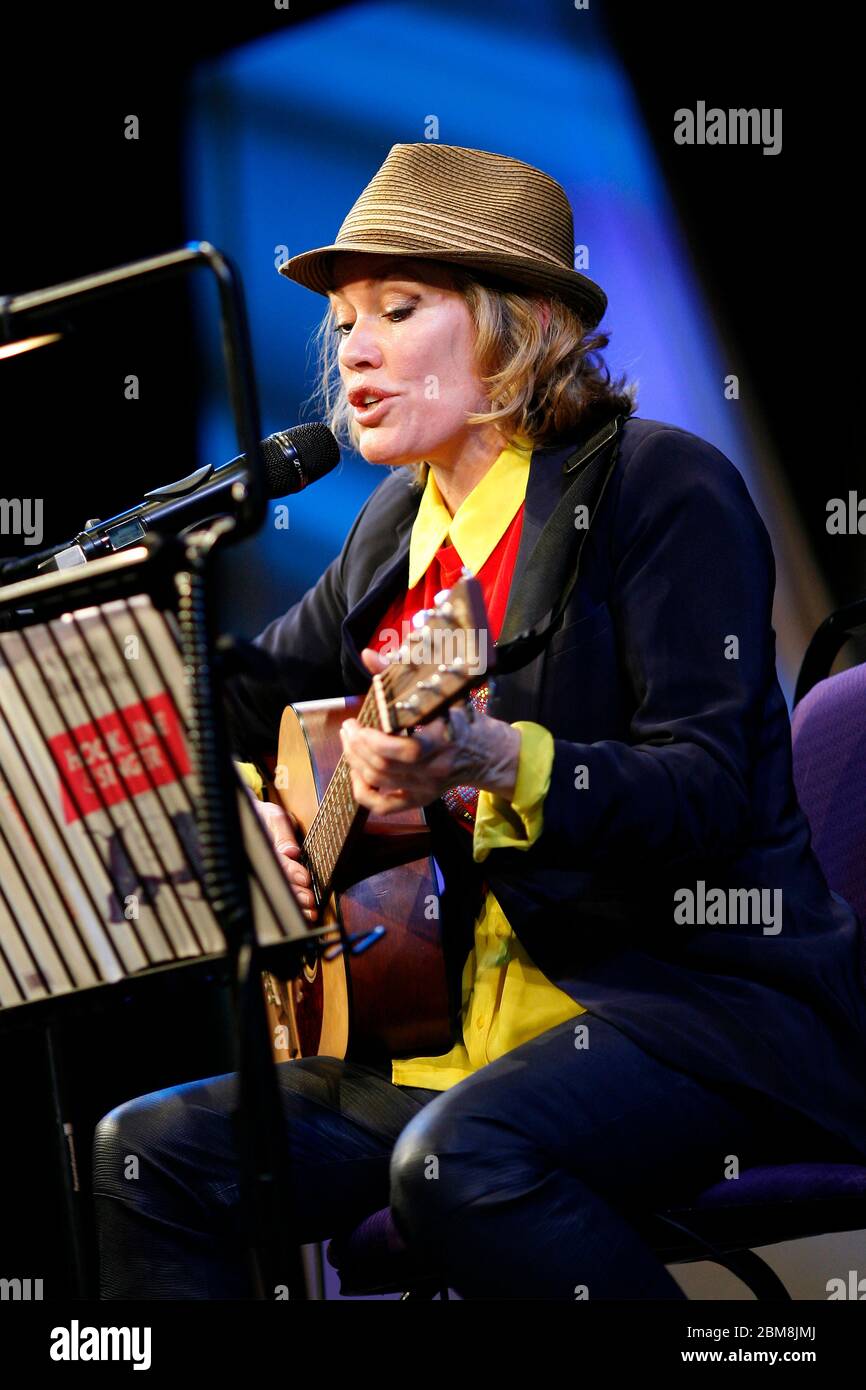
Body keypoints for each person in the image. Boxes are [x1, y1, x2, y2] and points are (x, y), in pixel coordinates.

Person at [92, 143, 866, 1301]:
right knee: (144, 1155)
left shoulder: (659, 487)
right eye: (344, 321)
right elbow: (246, 694)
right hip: (450, 1040)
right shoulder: (393, 530)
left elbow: (704, 788)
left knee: (459, 1160)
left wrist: (499, 756)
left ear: (516, 327)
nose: (351, 348)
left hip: (692, 1013)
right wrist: (247, 803)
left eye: (397, 310)